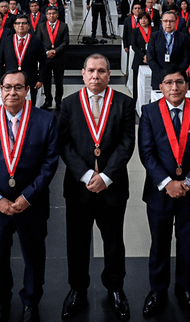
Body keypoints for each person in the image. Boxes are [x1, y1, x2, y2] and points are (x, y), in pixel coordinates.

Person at [0, 70, 59, 322]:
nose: (12, 92)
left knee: (34, 257)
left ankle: (31, 302)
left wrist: (27, 197)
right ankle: (0, 301)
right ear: (0, 90)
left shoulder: (45, 120)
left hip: (31, 204)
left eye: (18, 87)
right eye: (7, 87)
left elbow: (49, 164)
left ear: (27, 90)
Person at [58, 54, 135, 321]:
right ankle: (77, 288)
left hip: (112, 188)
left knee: (113, 241)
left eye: (102, 71)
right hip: (79, 187)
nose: (96, 76)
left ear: (109, 75)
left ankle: (115, 288)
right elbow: (64, 144)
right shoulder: (68, 104)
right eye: (91, 70)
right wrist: (88, 174)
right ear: (82, 74)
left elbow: (127, 144)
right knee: (77, 241)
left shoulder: (124, 103)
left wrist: (106, 177)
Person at [138, 65, 190, 318]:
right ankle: (157, 290)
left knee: (186, 245)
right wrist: (167, 183)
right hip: (160, 193)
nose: (174, 87)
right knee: (159, 245)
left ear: (187, 85)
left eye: (179, 82)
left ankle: (186, 290)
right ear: (160, 87)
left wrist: (188, 183)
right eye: (169, 82)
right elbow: (147, 153)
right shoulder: (149, 112)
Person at [0, 15, 46, 105]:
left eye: (24, 23)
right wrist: (0, 79)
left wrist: (40, 79)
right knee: (11, 104)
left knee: (30, 106)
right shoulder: (6, 41)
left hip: (30, 80)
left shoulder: (36, 41)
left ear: (28, 26)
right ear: (14, 26)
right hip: (10, 80)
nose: (21, 25)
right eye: (18, 23)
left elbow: (43, 62)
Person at [147, 11, 190, 90]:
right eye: (165, 21)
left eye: (171, 21)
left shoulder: (183, 37)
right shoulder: (154, 36)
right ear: (162, 22)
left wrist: (176, 74)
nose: (168, 23)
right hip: (159, 78)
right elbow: (150, 58)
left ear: (176, 22)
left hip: (177, 79)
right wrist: (162, 74)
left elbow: (186, 58)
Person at [37, 6, 69, 110]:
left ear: (57, 15)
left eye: (53, 13)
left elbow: (65, 42)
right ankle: (48, 100)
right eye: (49, 13)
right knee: (46, 80)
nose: (51, 15)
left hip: (59, 57)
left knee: (59, 80)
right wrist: (47, 51)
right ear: (46, 15)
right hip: (46, 57)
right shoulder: (41, 26)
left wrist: (56, 51)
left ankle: (59, 101)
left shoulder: (63, 26)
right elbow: (39, 41)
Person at [131, 11, 153, 102]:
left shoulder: (155, 30)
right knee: (137, 83)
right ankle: (136, 102)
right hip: (139, 59)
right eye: (141, 19)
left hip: (152, 58)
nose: (143, 20)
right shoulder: (135, 31)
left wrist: (149, 56)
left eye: (145, 18)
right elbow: (134, 46)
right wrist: (143, 55)